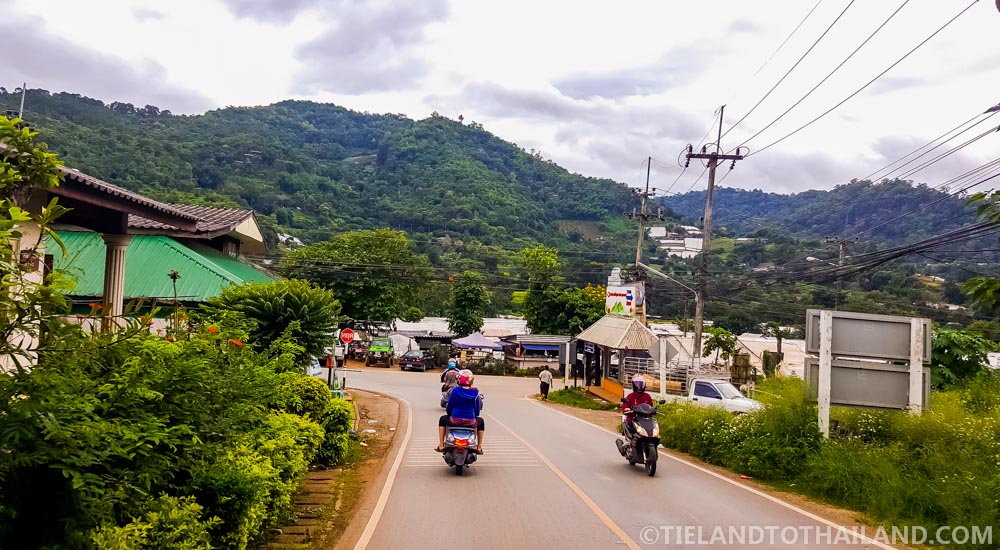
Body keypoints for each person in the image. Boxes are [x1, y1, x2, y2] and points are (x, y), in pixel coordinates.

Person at [436, 369, 484, 454]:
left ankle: (441, 445)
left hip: (454, 421)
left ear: (459, 380)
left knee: (442, 420)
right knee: (481, 422)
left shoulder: (455, 391)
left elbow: (449, 407)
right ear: (471, 380)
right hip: (471, 422)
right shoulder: (475, 393)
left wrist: (451, 414)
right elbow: (477, 411)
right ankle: (479, 447)